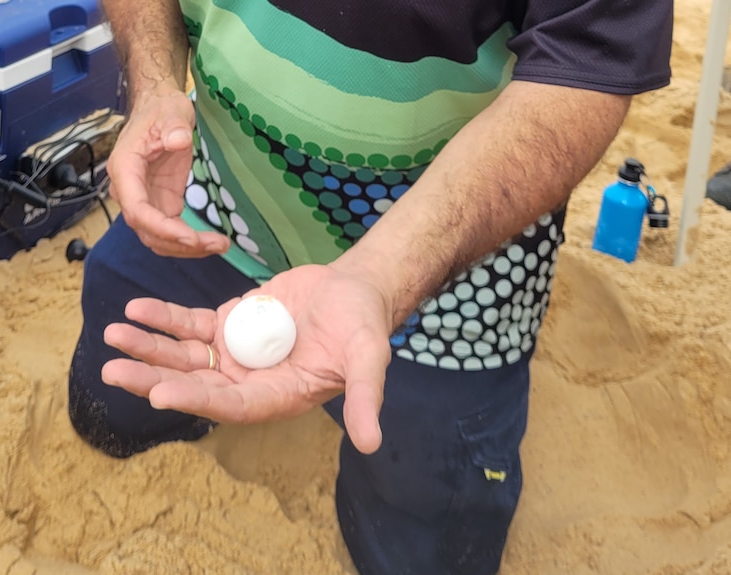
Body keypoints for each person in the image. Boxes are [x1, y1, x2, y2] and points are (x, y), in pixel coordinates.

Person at [67, 1, 673, 573]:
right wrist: (154, 87)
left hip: (452, 268)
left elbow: (583, 66)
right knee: (110, 404)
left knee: (425, 549)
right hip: (221, 199)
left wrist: (381, 280)